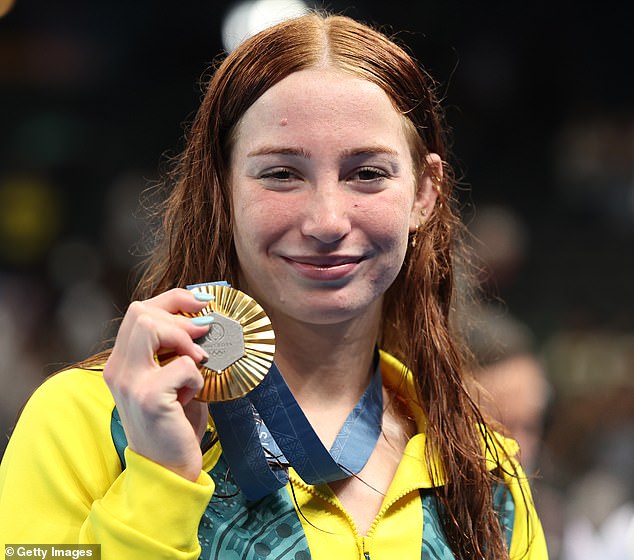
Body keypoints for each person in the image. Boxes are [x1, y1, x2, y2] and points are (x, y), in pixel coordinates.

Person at [0, 12, 547, 560]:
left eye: (368, 173)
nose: (328, 221)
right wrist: (158, 480)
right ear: (222, 189)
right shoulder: (85, 423)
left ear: (424, 194)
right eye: (282, 173)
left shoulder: (483, 475)